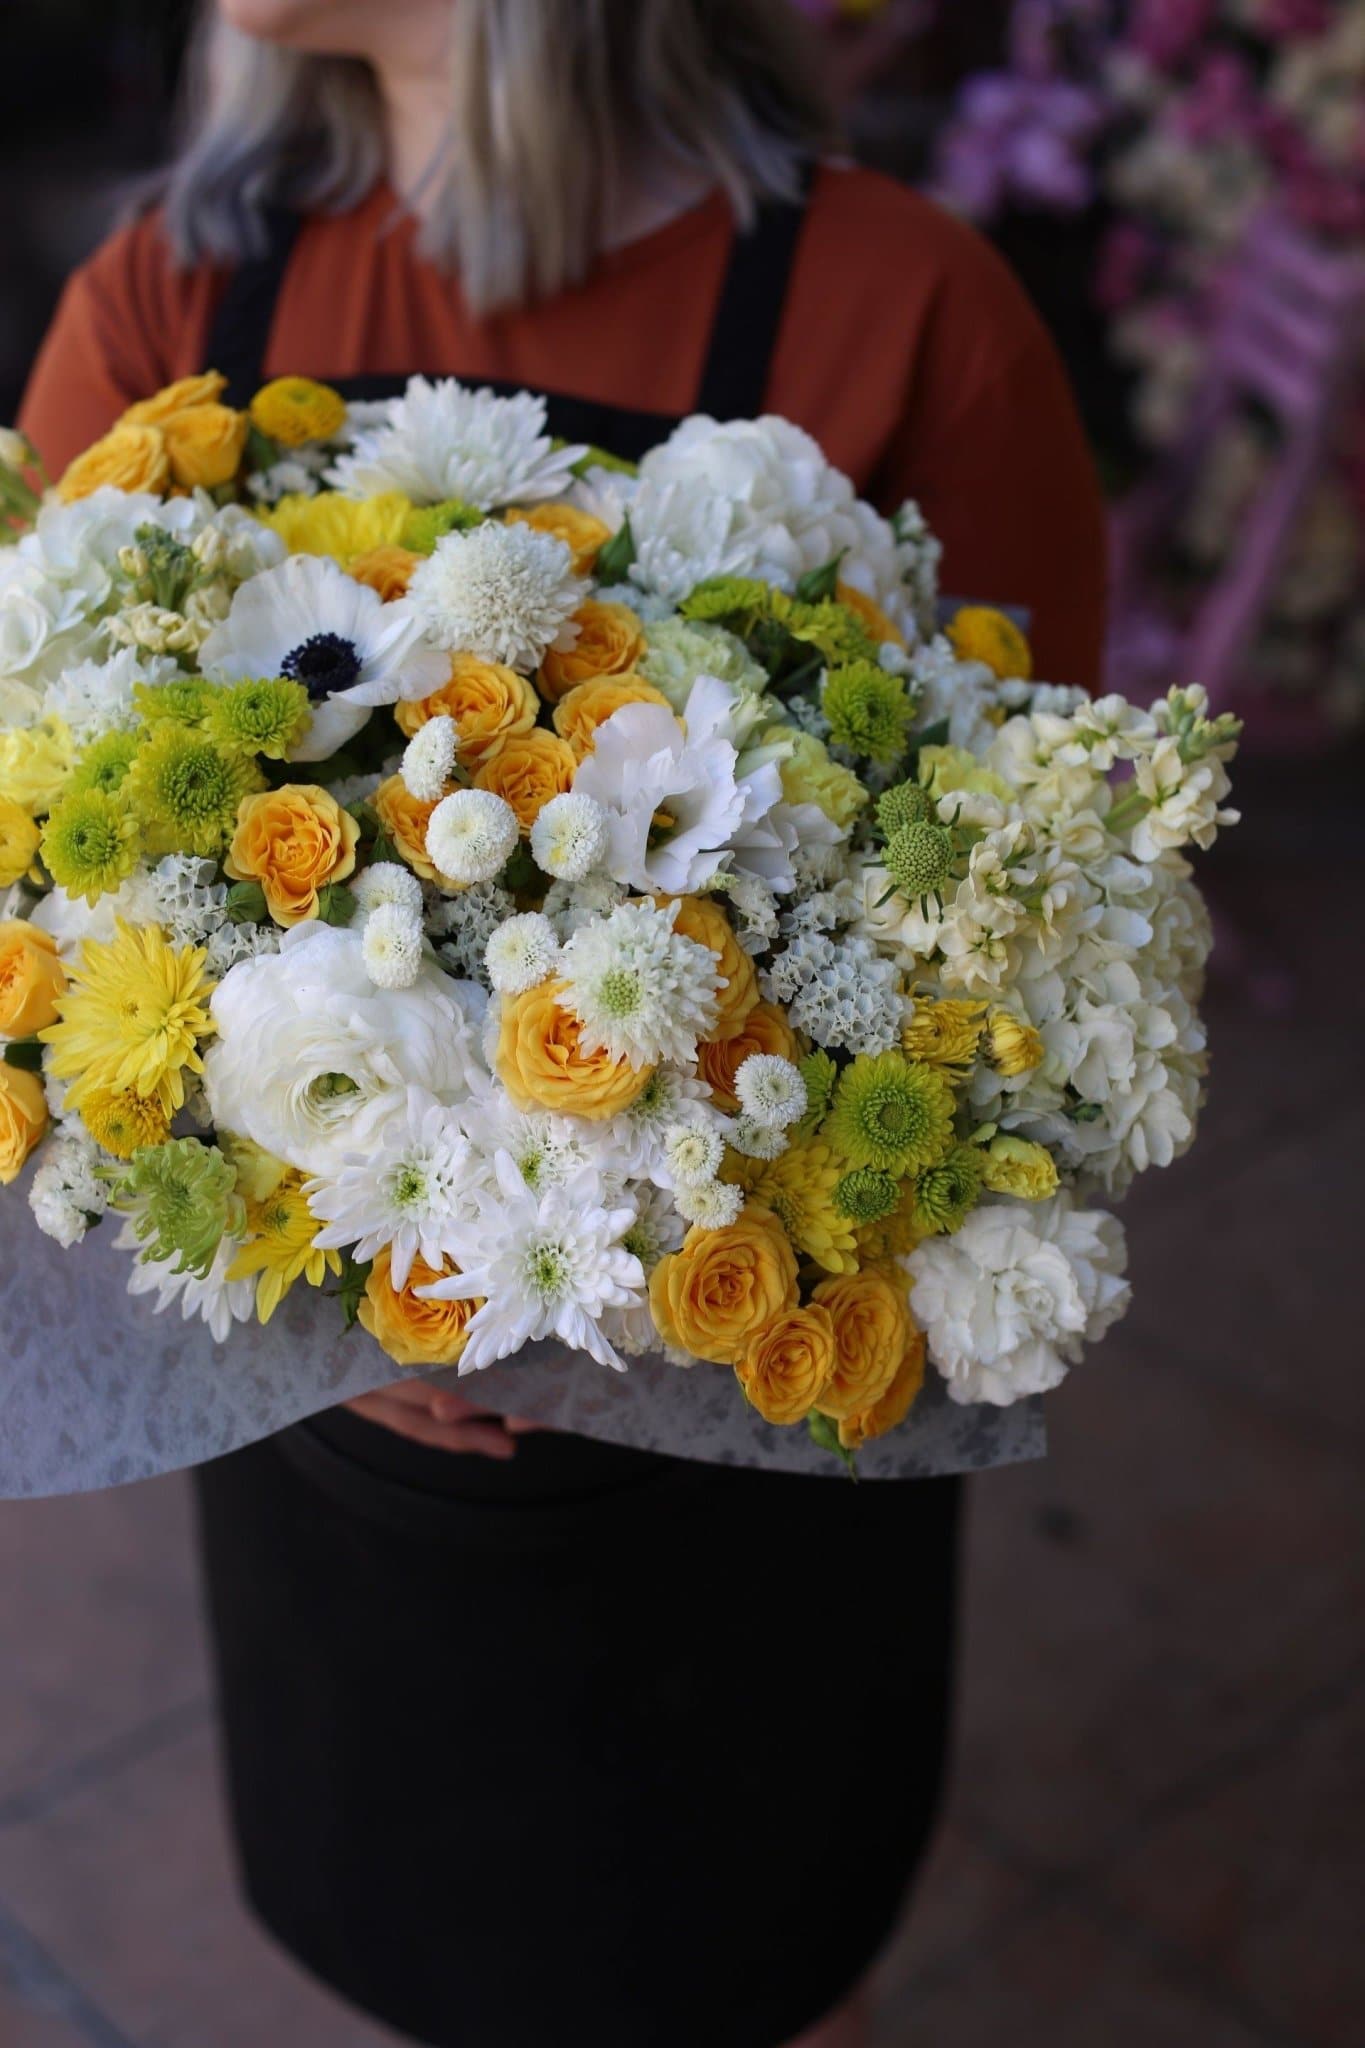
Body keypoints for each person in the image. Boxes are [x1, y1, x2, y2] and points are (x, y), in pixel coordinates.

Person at [20, 4, 1106, 2045]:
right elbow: (40, 894)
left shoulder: (902, 310)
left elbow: (1041, 930)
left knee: (754, 1951)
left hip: (760, 1417)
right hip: (339, 1454)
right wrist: (327, 1299)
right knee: (420, 1920)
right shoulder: (174, 294)